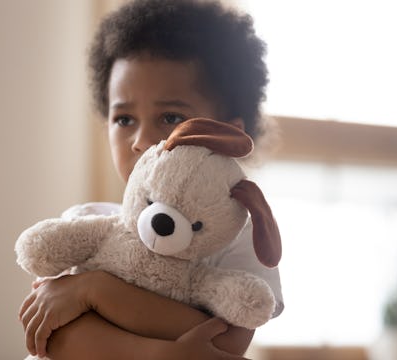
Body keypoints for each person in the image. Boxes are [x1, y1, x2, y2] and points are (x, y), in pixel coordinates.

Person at [18, 0, 283, 359]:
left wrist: (94, 291)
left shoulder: (241, 241)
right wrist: (161, 353)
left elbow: (225, 344)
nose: (141, 140)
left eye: (171, 117)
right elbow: (51, 338)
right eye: (124, 119)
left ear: (226, 137)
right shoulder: (85, 222)